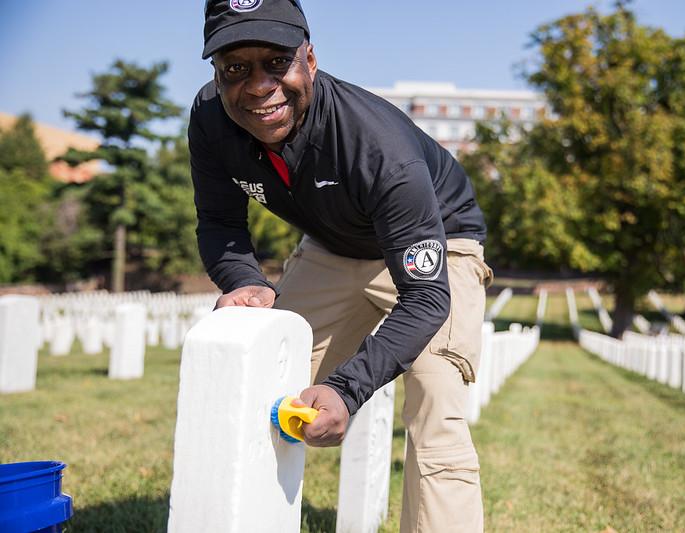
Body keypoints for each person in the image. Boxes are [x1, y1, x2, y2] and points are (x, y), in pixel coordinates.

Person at [191, 1, 492, 531]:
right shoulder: (211, 118)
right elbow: (219, 220)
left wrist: (347, 389)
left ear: (309, 58)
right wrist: (245, 280)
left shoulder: (379, 148)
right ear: (216, 74)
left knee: (436, 409)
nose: (259, 86)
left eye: (276, 62)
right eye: (236, 68)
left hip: (438, 244)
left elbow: (426, 298)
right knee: (258, 382)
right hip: (333, 246)